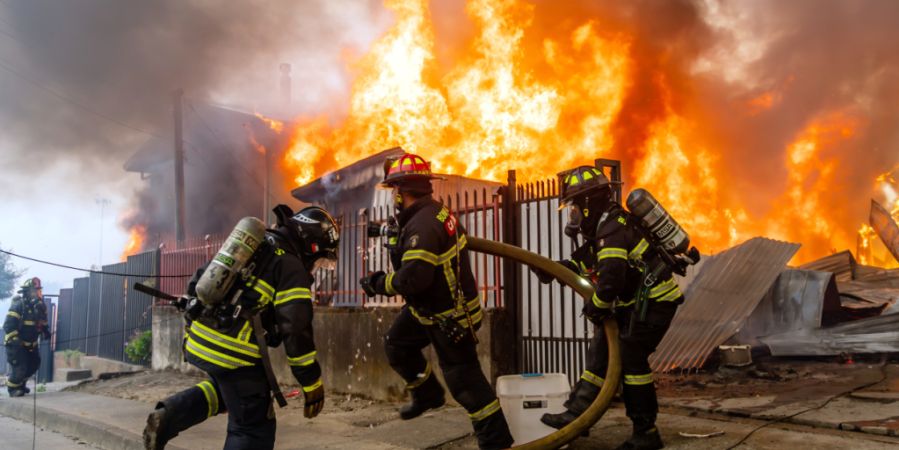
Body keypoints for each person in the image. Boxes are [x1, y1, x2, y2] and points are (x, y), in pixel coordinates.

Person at [143, 205, 340, 450]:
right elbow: (296, 329)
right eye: (320, 259)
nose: (315, 267)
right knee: (253, 424)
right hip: (233, 352)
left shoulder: (254, 245)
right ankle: (170, 418)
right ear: (311, 246)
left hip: (199, 340)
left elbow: (199, 279)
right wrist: (311, 382)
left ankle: (168, 417)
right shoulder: (291, 267)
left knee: (229, 392)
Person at [359, 152, 514, 450]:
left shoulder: (423, 225)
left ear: (402, 191)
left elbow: (413, 279)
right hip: (426, 310)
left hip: (451, 318)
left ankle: (497, 443)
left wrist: (378, 283)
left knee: (466, 386)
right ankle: (428, 393)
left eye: (394, 192)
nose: (394, 198)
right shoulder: (433, 214)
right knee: (397, 343)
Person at [536, 166, 684, 450]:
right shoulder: (602, 227)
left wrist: (597, 306)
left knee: (631, 361)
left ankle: (646, 432)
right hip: (635, 304)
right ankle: (577, 415)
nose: (573, 214)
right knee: (600, 350)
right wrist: (553, 270)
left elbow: (612, 276)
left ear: (588, 204)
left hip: (654, 303)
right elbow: (587, 263)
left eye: (575, 207)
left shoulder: (612, 226)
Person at [4, 277, 50, 397]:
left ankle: (21, 386)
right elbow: (8, 326)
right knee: (20, 367)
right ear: (27, 292)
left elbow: (41, 322)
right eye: (34, 291)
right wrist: (16, 341)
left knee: (34, 364)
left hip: (32, 344)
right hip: (16, 344)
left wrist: (45, 330)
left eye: (38, 291)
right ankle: (12, 389)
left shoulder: (38, 307)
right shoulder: (19, 306)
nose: (37, 294)